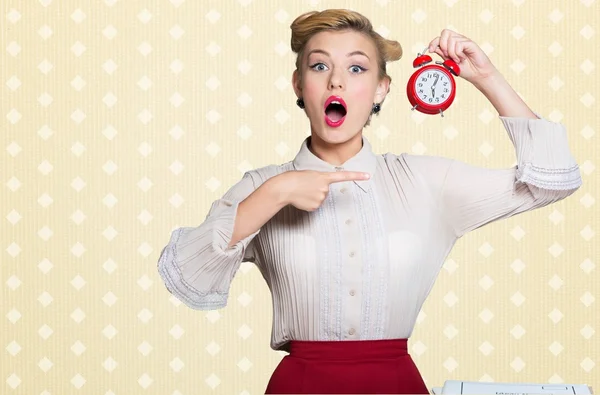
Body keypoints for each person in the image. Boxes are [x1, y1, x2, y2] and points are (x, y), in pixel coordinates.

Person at [156, 9, 582, 395]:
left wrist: (487, 77)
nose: (336, 81)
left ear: (381, 89)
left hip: (397, 385)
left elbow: (550, 182)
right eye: (319, 65)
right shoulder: (264, 184)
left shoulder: (427, 182)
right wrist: (277, 193)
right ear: (298, 84)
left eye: (356, 68)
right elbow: (188, 271)